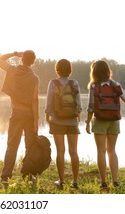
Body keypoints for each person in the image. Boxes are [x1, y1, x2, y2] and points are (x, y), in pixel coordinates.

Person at [85, 60, 125, 190]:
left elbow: (91, 106)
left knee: (101, 151)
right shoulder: (116, 84)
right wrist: (119, 91)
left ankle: (104, 182)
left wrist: (88, 122)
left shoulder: (94, 86)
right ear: (107, 70)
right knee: (112, 150)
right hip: (114, 121)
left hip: (99, 120)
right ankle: (115, 181)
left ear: (94, 72)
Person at [0, 50, 40, 186]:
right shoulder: (34, 78)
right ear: (33, 62)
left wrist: (15, 53)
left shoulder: (13, 70)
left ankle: (5, 177)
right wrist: (36, 120)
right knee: (30, 146)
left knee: (12, 146)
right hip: (29, 114)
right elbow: (35, 100)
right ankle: (28, 175)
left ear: (22, 59)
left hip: (16, 113)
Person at [45, 59, 82, 189]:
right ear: (70, 69)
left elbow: (49, 102)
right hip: (72, 121)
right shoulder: (75, 83)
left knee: (60, 151)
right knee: (74, 152)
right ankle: (75, 181)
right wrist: (78, 117)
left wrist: (47, 115)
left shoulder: (53, 83)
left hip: (57, 121)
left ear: (57, 69)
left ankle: (61, 181)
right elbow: (79, 104)